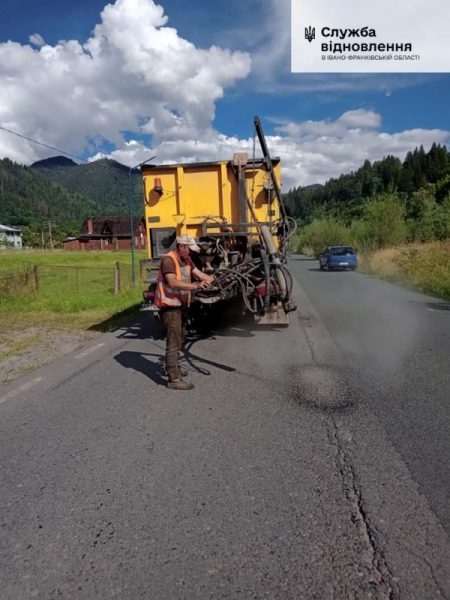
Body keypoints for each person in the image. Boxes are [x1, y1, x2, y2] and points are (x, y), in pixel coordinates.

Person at [154, 234, 214, 390]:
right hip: (170, 306)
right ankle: (173, 379)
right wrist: (196, 286)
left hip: (180, 305)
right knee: (173, 342)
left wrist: (212, 280)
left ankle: (175, 366)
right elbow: (172, 282)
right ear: (182, 247)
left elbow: (199, 274)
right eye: (189, 250)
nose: (191, 253)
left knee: (181, 337)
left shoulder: (186, 259)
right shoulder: (169, 260)